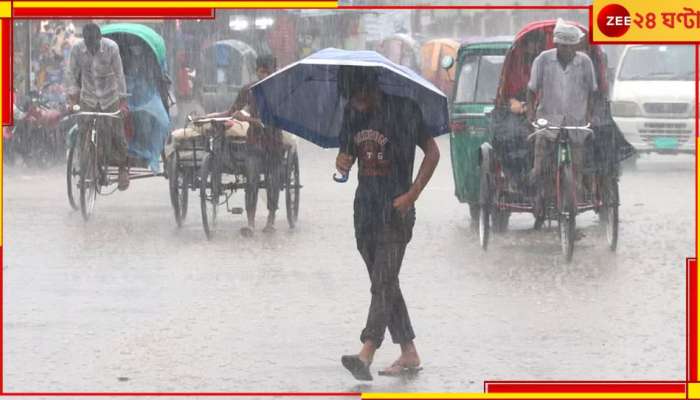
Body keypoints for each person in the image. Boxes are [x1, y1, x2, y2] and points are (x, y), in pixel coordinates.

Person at [336, 67, 440, 381]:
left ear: (373, 88)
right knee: (386, 284)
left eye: (361, 96)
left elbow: (433, 152)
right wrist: (342, 162)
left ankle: (366, 351)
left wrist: (412, 194)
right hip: (364, 212)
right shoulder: (352, 112)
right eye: (352, 98)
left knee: (382, 281)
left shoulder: (404, 110)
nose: (357, 103)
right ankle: (409, 352)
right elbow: (349, 155)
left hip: (396, 211)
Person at [526, 19, 597, 229]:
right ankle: (538, 200)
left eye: (570, 45)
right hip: (548, 122)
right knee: (540, 167)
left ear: (576, 45)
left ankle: (572, 211)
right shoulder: (543, 60)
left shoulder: (585, 62)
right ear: (556, 43)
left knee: (576, 167)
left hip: (576, 122)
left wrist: (589, 117)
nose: (566, 49)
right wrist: (531, 117)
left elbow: (592, 92)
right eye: (562, 45)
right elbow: (531, 91)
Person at [202, 54, 284, 236]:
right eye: (260, 72)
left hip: (273, 145)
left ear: (273, 72)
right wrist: (212, 117)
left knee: (273, 181)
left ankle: (270, 220)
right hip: (254, 144)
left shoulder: (280, 92)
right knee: (251, 180)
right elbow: (232, 111)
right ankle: (251, 223)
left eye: (267, 72)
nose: (263, 76)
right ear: (256, 71)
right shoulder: (249, 90)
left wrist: (246, 118)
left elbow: (269, 122)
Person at [66, 22, 130, 190]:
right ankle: (85, 168)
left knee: (117, 132)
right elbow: (71, 74)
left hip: (110, 96)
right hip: (88, 97)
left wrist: (123, 102)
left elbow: (119, 75)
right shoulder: (77, 50)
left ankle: (123, 167)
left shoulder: (111, 48)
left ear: (100, 39)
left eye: (94, 44)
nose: (92, 48)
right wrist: (72, 100)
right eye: (89, 44)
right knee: (83, 132)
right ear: (84, 40)